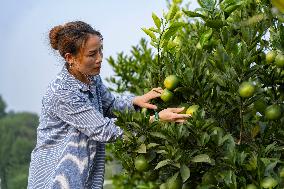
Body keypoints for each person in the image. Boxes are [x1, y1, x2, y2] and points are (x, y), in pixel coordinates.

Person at [28, 21, 190, 189]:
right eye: (92, 54)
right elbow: (105, 131)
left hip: (85, 177)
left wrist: (136, 101)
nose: (100, 59)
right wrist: (157, 119)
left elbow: (109, 105)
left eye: (100, 50)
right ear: (70, 58)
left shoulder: (91, 77)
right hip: (57, 178)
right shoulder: (62, 92)